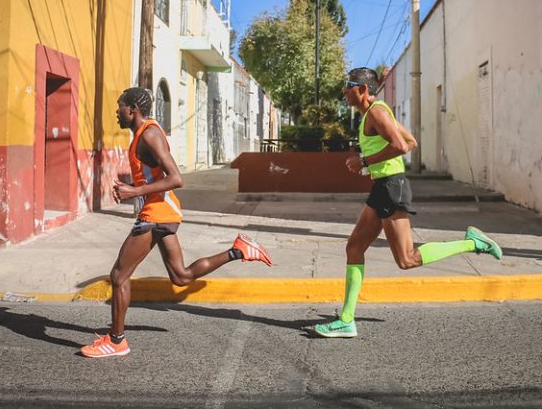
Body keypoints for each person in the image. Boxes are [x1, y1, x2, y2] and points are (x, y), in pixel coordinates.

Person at [80, 87, 273, 358]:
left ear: (132, 109)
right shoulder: (142, 134)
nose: (117, 111)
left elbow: (176, 178)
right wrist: (133, 188)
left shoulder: (149, 133)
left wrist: (133, 191)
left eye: (120, 106)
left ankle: (116, 341)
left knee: (119, 276)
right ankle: (239, 250)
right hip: (162, 213)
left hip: (156, 214)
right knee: (181, 276)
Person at [313, 67, 502, 338]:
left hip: (392, 188)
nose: (345, 90)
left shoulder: (377, 112)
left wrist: (365, 161)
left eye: (349, 85)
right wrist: (375, 160)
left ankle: (473, 242)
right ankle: (346, 319)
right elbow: (410, 141)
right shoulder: (375, 113)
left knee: (407, 259)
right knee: (354, 248)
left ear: (363, 89)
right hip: (382, 187)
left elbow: (401, 147)